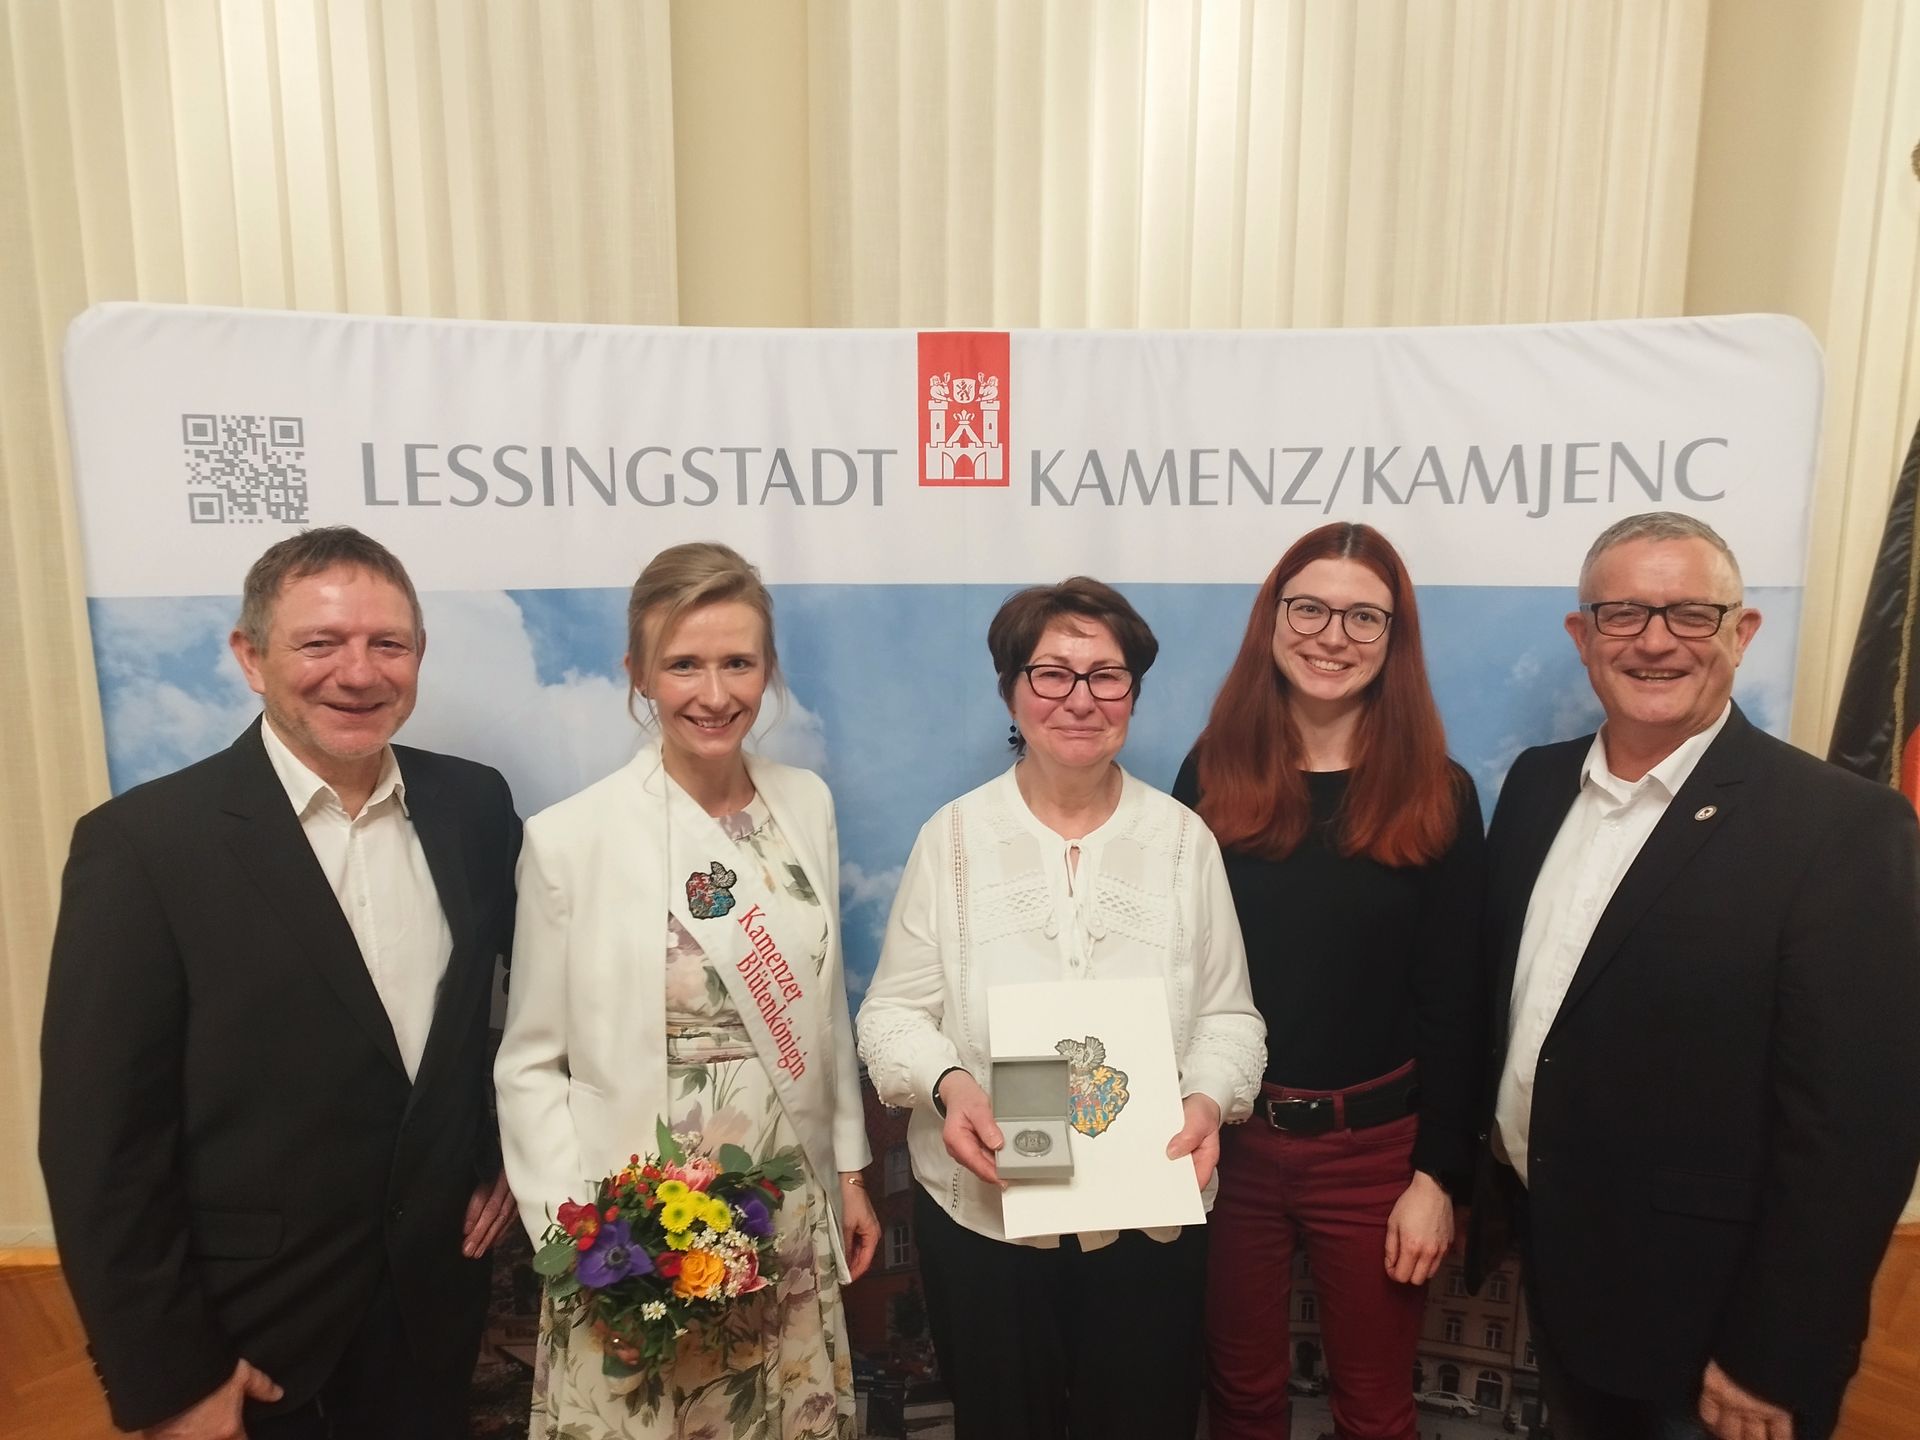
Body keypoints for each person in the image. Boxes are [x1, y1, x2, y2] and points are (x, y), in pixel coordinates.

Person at [39, 527, 522, 1439]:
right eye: (320, 643)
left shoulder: (475, 806)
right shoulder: (143, 846)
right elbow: (99, 1145)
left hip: (434, 1321)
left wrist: (499, 1148)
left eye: (388, 644)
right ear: (251, 657)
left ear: (419, 655)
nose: (359, 673)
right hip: (247, 1349)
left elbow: (517, 1003)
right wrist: (170, 1380)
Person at [1472, 511, 1920, 1440]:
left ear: (1741, 631)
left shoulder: (1840, 828)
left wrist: (1775, 1354)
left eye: (1690, 614)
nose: (1654, 641)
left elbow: (1857, 1132)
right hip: (1560, 1273)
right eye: (1624, 614)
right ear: (1582, 635)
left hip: (1718, 1333)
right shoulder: (1537, 786)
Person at [857, 577, 1266, 1440]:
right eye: (1051, 673)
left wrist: (1207, 1099)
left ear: (1133, 693)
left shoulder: (1183, 841)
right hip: (985, 1215)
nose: (1081, 699)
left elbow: (1231, 1020)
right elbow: (891, 1016)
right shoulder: (952, 839)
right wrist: (950, 1085)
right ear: (1011, 689)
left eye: (1106, 675)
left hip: (1149, 1211)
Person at [494, 541, 879, 1440]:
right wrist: (579, 1238)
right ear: (637, 673)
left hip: (783, 1206)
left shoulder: (806, 803)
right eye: (683, 665)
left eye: (738, 662)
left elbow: (823, 1012)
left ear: (768, 668)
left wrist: (851, 1171)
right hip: (643, 1229)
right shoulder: (571, 839)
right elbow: (530, 1063)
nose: (714, 694)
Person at [1174, 522, 1484, 1440]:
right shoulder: (1209, 775)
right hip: (1231, 1142)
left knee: (1376, 1409)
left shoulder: (1440, 792)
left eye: (1363, 617)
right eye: (1308, 608)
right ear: (1272, 620)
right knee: (1240, 1398)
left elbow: (1458, 999)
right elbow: (1174, 971)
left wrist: (1438, 1176)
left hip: (1378, 1154)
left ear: (1394, 639)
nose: (1332, 636)